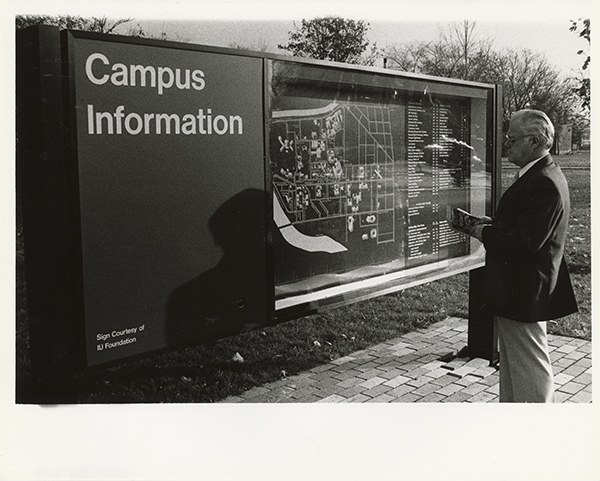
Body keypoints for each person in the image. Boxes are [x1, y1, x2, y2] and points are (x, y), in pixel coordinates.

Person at [470, 109, 577, 403]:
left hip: (523, 292)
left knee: (530, 368)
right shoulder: (540, 174)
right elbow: (527, 227)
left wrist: (483, 233)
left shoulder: (543, 181)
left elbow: (525, 243)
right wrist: (493, 224)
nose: (507, 144)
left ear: (533, 141)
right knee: (516, 368)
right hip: (519, 290)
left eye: (512, 139)